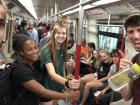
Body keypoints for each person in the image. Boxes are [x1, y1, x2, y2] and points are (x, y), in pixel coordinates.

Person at [11, 34, 79, 105]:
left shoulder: (34, 63)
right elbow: (42, 91)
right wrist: (67, 95)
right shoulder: (19, 70)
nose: (35, 51)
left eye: (35, 47)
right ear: (21, 52)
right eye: (29, 49)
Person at [40, 23, 80, 105]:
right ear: (53, 34)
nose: (61, 36)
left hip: (58, 86)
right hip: (47, 89)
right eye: (58, 33)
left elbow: (61, 67)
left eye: (63, 33)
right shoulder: (46, 50)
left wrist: (64, 83)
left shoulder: (62, 49)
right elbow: (52, 74)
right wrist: (68, 83)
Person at [119, 13, 140, 105]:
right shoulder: (135, 60)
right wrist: (122, 72)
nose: (136, 36)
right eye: (131, 32)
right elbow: (127, 96)